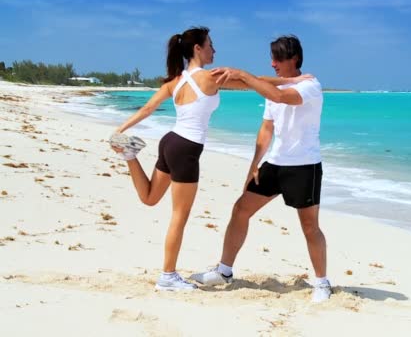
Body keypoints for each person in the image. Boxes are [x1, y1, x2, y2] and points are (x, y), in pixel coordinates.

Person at [109, 27, 309, 291]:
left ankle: (130, 156)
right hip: (186, 150)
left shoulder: (175, 80)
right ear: (198, 49)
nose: (214, 50)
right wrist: (293, 81)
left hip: (170, 142)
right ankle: (167, 276)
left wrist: (120, 131)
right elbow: (252, 82)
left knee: (149, 198)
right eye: (211, 45)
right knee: (179, 216)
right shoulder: (208, 77)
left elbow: (148, 108)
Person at [190, 35, 331, 302]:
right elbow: (267, 129)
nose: (273, 63)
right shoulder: (269, 88)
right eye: (272, 58)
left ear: (294, 59)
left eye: (278, 58)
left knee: (310, 227)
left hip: (304, 166)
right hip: (275, 163)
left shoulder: (310, 85)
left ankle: (322, 283)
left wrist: (243, 74)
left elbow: (280, 95)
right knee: (240, 209)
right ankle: (224, 271)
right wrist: (254, 165)